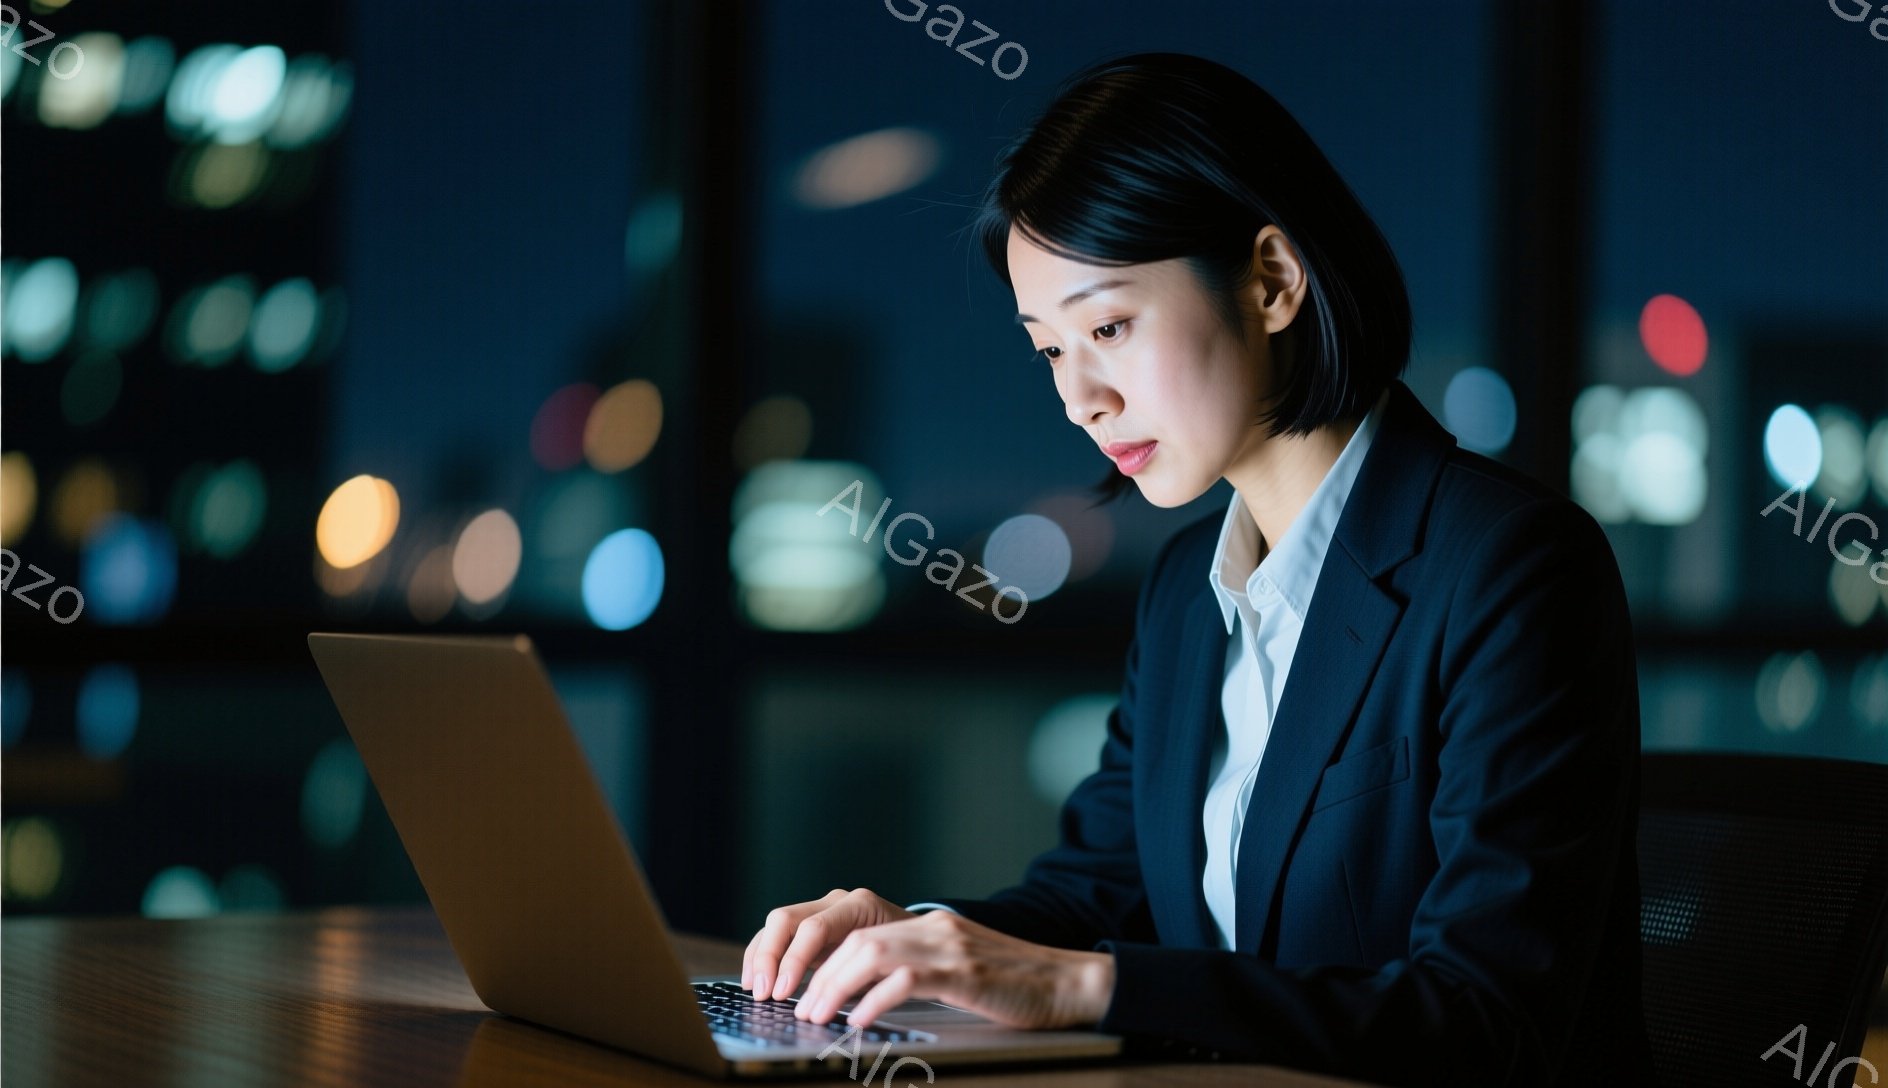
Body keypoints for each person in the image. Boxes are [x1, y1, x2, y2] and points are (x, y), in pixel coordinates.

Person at [741, 52, 1654, 1087]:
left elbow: (1486, 1021)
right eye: (1048, 350)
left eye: (1108, 326)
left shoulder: (1509, 566)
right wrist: (906, 934)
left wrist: (1089, 986)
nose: (1078, 397)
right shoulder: (1186, 589)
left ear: (1271, 279)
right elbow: (1099, 892)